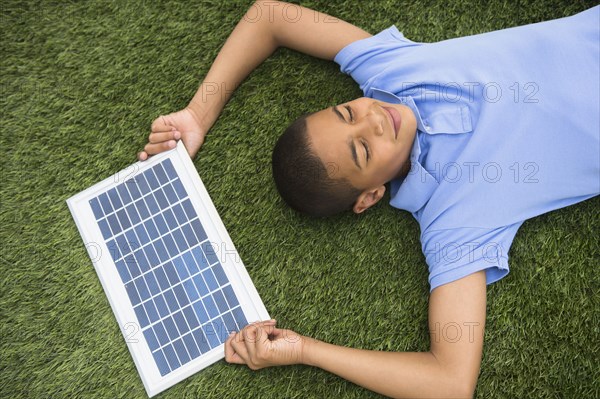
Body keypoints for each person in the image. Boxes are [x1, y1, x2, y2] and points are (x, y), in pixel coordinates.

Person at [137, 1, 599, 397]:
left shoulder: (391, 73)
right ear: (370, 196)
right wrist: (305, 350)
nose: (373, 118)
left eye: (347, 111)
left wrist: (198, 113)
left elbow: (271, 16)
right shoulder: (453, 222)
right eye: (362, 150)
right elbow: (450, 382)